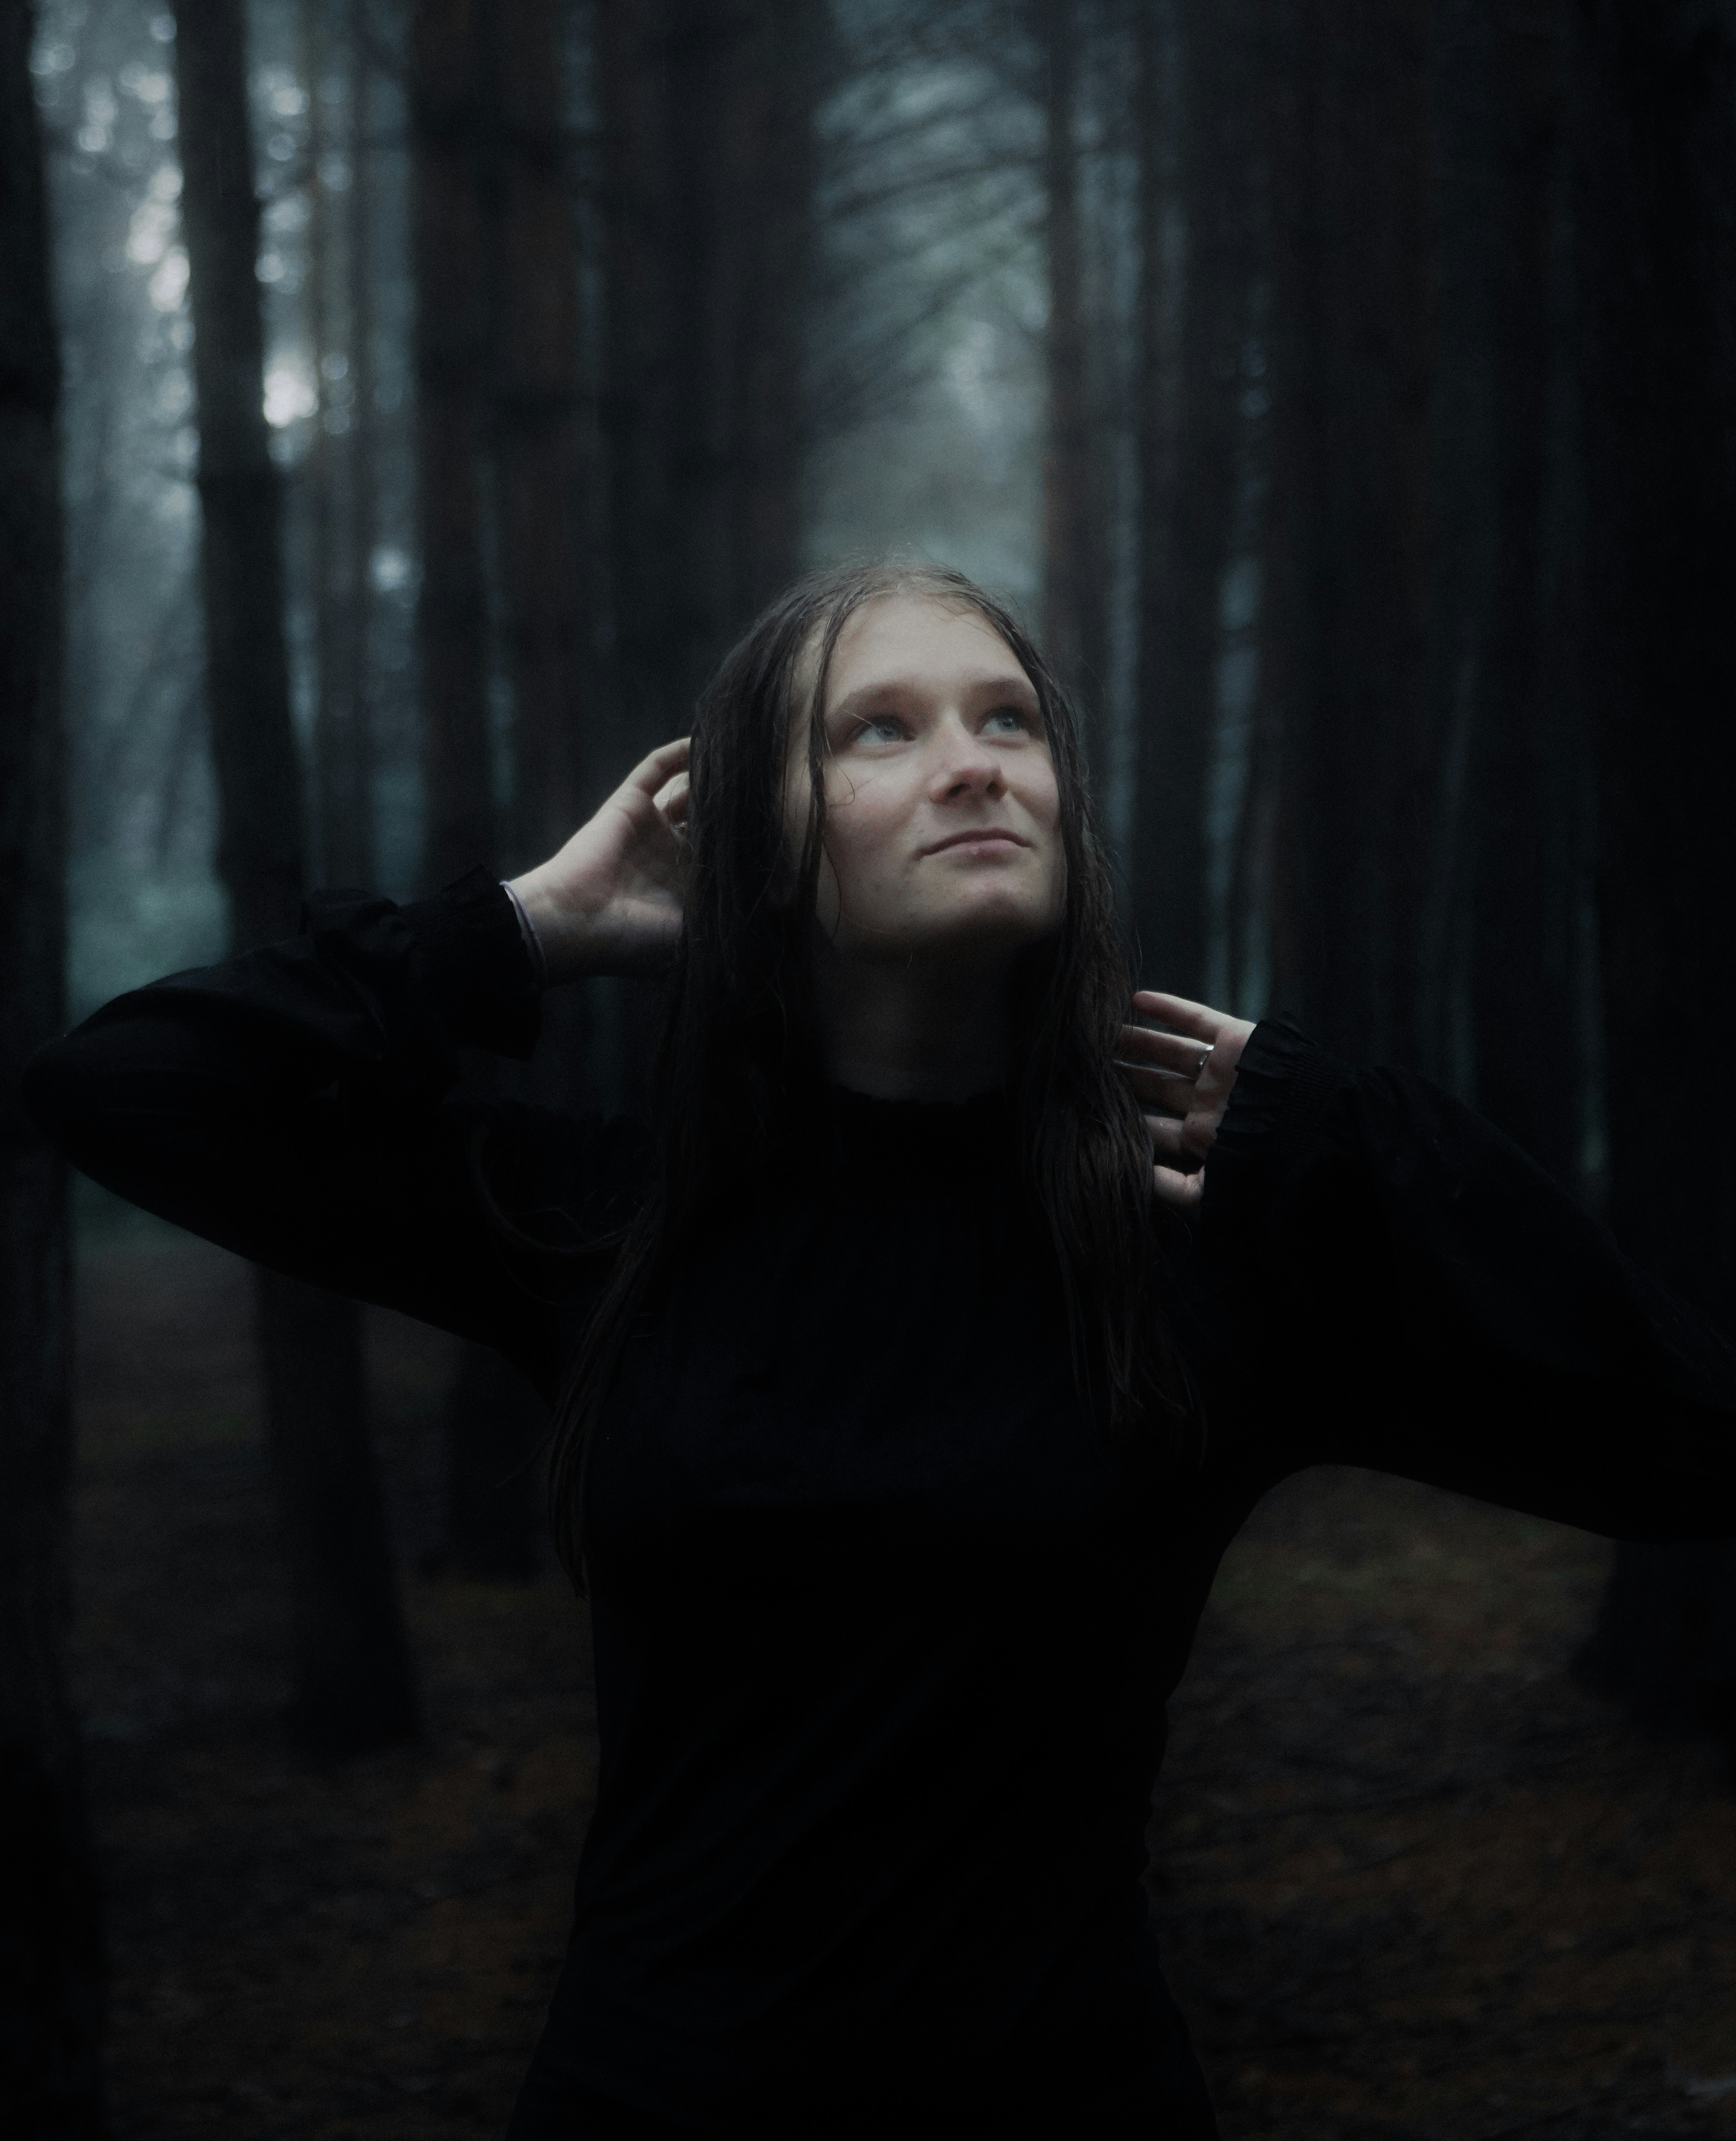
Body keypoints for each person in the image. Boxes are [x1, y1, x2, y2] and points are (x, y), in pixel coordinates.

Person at [23, 562, 1736, 2138]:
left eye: (1009, 719)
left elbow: (1680, 1436)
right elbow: (128, 1089)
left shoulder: (1197, 1261)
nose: (978, 763)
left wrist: (1365, 1142)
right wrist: (523, 923)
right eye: (882, 728)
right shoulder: (609, 1226)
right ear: (758, 845)